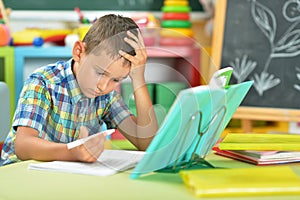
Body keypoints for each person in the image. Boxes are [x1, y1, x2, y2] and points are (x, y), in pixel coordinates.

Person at [1, 14, 158, 165]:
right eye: (99, 72)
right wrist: (72, 153)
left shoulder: (107, 96)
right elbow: (23, 146)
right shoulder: (43, 83)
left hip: (63, 176)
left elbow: (147, 143)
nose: (103, 86)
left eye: (116, 80)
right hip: (21, 171)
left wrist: (138, 79)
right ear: (79, 52)